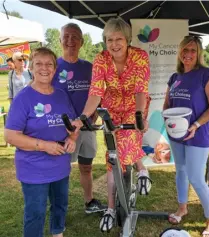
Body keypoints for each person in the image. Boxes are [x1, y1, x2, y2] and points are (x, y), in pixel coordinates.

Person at [71, 18, 152, 232]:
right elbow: (96, 92)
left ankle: (115, 201)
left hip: (135, 106)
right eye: (109, 40)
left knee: (122, 148)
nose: (114, 44)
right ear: (104, 41)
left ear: (128, 40)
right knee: (113, 157)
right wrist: (82, 118)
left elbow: (141, 90)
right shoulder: (100, 59)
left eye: (119, 39)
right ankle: (114, 203)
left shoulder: (140, 57)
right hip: (111, 110)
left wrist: (138, 116)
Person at [4, 47, 78, 237]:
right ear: (31, 67)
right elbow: (11, 136)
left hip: (60, 165)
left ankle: (58, 233)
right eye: (39, 64)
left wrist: (71, 138)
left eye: (49, 64)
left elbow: (72, 126)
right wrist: (44, 146)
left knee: (60, 205)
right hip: (33, 168)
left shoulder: (61, 95)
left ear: (55, 69)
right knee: (35, 213)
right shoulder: (23, 98)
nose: (44, 68)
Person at [163, 36, 209, 237]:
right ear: (179, 52)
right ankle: (182, 208)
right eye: (185, 50)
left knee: (196, 177)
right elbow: (167, 105)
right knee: (181, 171)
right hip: (177, 134)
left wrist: (196, 124)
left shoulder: (206, 75)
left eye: (193, 50)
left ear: (199, 53)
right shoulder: (175, 77)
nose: (188, 54)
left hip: (198, 133)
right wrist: (167, 121)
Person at [52, 23, 106, 214]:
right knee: (60, 171)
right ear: (60, 40)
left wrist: (95, 115)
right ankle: (58, 208)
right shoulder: (52, 68)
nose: (70, 41)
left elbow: (99, 94)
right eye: (66, 36)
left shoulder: (89, 68)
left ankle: (89, 202)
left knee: (86, 167)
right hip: (61, 130)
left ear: (82, 42)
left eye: (75, 37)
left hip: (86, 128)